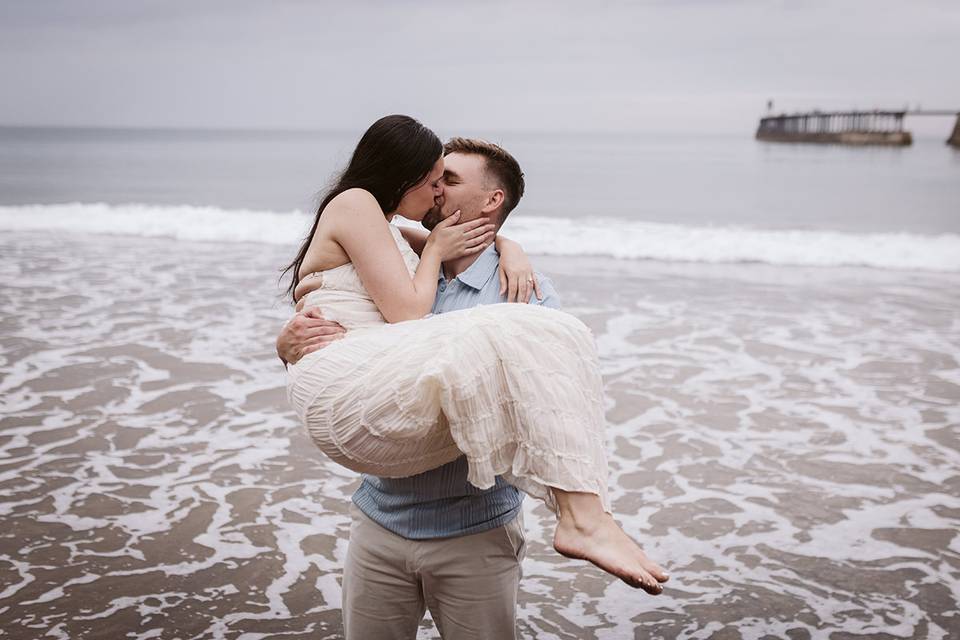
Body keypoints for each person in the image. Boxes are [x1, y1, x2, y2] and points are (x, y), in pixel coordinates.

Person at [279, 116, 668, 634]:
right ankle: (584, 520)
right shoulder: (398, 256)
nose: (438, 190)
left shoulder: (523, 292)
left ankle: (583, 518)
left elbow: (544, 403)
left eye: (451, 180)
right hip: (380, 522)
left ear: (491, 201)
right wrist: (285, 345)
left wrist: (509, 246)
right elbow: (346, 314)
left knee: (544, 331)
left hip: (473, 534)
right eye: (435, 178)